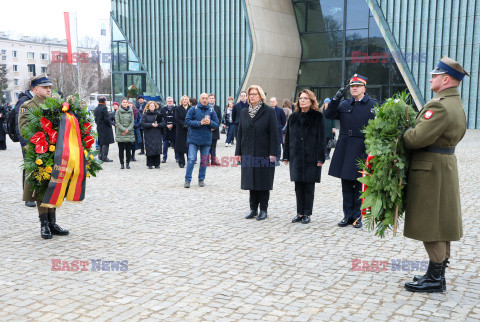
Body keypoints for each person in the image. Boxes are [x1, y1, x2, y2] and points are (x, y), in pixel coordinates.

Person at [402, 56, 469, 293]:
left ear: (446, 79)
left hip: (430, 168)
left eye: (435, 75)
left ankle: (435, 278)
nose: (431, 78)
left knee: (431, 223)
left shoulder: (439, 105)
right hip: (443, 164)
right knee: (440, 221)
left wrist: (404, 132)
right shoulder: (456, 103)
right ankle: (435, 274)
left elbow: (416, 138)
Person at [18, 74, 69, 239]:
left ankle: (53, 222)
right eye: (45, 87)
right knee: (41, 189)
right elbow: (24, 131)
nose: (49, 89)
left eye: (49, 87)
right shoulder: (28, 105)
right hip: (38, 152)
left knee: (53, 186)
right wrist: (37, 149)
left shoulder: (53, 104)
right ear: (35, 89)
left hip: (55, 152)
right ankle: (44, 224)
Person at [324, 74, 377, 229]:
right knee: (346, 184)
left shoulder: (373, 105)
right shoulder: (344, 104)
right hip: (345, 147)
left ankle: (358, 216)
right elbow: (328, 115)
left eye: (358, 86)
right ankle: (347, 215)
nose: (354, 88)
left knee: (360, 184)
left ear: (364, 88)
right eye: (352, 86)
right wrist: (336, 99)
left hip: (363, 147)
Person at [235, 85, 278, 221]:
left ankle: (263, 209)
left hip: (263, 151)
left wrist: (273, 153)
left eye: (254, 94)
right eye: (250, 94)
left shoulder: (269, 112)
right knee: (250, 181)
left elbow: (274, 134)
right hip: (248, 151)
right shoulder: (243, 112)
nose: (251, 96)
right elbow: (240, 132)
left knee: (263, 181)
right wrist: (238, 152)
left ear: (260, 96)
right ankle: (253, 209)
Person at [283, 90, 325, 224]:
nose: (302, 100)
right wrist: (286, 156)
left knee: (308, 186)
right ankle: (299, 212)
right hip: (296, 156)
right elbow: (288, 137)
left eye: (305, 98)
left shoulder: (318, 116)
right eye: (300, 98)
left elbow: (321, 138)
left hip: (311, 156)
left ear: (311, 101)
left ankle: (307, 213)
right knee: (298, 186)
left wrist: (320, 158)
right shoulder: (293, 117)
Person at [184, 93, 219, 188]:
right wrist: (199, 123)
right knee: (191, 159)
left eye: (206, 98)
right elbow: (187, 121)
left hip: (206, 139)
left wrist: (210, 122)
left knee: (204, 160)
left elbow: (217, 124)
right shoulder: (193, 109)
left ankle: (201, 179)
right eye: (203, 98)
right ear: (199, 99)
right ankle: (187, 180)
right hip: (193, 139)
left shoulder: (211, 110)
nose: (205, 100)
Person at [13, 87, 35, 207]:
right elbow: (19, 124)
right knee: (29, 166)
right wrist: (25, 143)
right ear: (34, 88)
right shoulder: (24, 101)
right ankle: (28, 197)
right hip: (28, 141)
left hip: (38, 140)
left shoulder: (38, 100)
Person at [142, 101, 165, 169]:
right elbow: (143, 124)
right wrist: (151, 124)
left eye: (153, 106)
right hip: (149, 134)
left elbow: (163, 123)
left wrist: (158, 125)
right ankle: (150, 164)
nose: (152, 107)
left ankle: (157, 164)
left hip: (157, 133)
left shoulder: (158, 114)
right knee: (149, 148)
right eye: (150, 106)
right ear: (148, 107)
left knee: (157, 148)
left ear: (155, 106)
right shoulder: (145, 115)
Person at [115, 97, 135, 169]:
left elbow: (132, 122)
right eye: (123, 102)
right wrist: (123, 130)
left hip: (128, 132)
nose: (125, 103)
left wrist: (127, 130)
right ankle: (122, 163)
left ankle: (128, 163)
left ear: (128, 103)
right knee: (121, 149)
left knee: (128, 149)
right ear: (121, 103)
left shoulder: (131, 111)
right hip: (121, 132)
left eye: (126, 102)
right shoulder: (118, 111)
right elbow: (117, 122)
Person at [93, 96, 114, 162]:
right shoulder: (104, 108)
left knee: (100, 142)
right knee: (106, 142)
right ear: (104, 101)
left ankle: (100, 155)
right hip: (105, 127)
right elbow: (106, 119)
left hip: (99, 126)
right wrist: (111, 123)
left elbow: (95, 119)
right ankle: (104, 156)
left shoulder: (96, 108)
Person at [160, 97, 178, 163]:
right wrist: (166, 125)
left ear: (173, 102)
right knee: (165, 145)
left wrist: (172, 124)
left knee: (176, 145)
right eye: (168, 101)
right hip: (165, 129)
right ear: (166, 102)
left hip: (174, 129)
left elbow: (178, 119)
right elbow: (161, 119)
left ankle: (177, 158)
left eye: (170, 101)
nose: (169, 102)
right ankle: (164, 158)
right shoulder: (163, 109)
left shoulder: (176, 109)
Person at [175, 95, 191, 168]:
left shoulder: (191, 108)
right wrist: (184, 124)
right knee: (180, 146)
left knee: (189, 146)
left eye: (185, 99)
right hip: (181, 129)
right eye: (183, 99)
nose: (184, 100)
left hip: (189, 129)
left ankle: (190, 161)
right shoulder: (178, 108)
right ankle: (181, 162)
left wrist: (189, 124)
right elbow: (177, 118)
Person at [270, 97, 286, 166]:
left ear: (276, 102)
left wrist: (280, 126)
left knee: (278, 145)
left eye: (273, 101)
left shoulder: (280, 110)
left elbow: (284, 120)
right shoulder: (268, 110)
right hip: (269, 130)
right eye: (271, 101)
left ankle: (277, 159)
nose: (272, 103)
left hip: (278, 130)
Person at [208, 93, 222, 165]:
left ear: (214, 99)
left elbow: (219, 118)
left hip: (215, 130)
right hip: (207, 130)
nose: (211, 99)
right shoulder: (205, 107)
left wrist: (215, 126)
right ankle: (206, 160)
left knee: (214, 146)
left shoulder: (217, 108)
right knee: (207, 146)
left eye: (212, 98)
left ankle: (213, 160)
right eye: (210, 98)